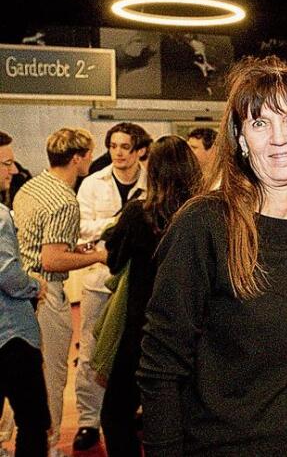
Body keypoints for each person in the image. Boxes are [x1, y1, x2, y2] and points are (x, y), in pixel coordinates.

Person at [137, 56, 287, 456]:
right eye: (260, 123)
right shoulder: (205, 225)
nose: (279, 138)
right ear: (241, 139)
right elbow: (160, 366)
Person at [100, 136, 201, 457]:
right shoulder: (205, 215)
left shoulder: (137, 214)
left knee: (115, 415)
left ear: (152, 169)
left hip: (141, 330)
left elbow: (114, 261)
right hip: (193, 331)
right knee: (184, 418)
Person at [13, 128, 108, 456]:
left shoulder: (30, 187)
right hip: (46, 293)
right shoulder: (66, 200)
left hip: (19, 294)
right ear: (78, 158)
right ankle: (50, 445)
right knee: (51, 376)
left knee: (20, 376)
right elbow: (52, 259)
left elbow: (39, 245)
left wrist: (78, 248)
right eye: (89, 155)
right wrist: (98, 255)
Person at [74, 122, 151, 452]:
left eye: (125, 147)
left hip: (134, 286)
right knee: (92, 353)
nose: (118, 152)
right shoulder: (93, 183)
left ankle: (135, 410)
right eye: (114, 146)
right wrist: (119, 224)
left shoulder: (151, 180)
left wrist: (120, 228)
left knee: (135, 353)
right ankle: (88, 421)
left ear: (139, 151)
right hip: (98, 281)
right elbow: (81, 227)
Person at [0, 131, 50, 457]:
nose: (14, 170)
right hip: (12, 337)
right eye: (5, 163)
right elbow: (6, 274)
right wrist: (35, 285)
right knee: (32, 421)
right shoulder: (1, 216)